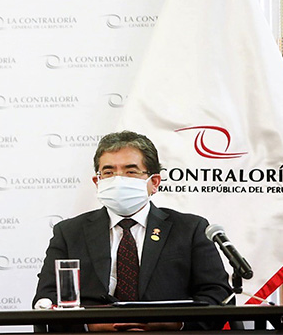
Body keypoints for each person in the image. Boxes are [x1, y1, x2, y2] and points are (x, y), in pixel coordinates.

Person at [33, 130, 232, 331]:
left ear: (154, 182)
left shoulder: (190, 229)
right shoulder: (69, 232)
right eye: (109, 172)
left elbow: (218, 294)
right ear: (97, 182)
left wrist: (171, 323)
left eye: (131, 172)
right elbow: (46, 299)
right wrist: (90, 325)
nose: (118, 180)